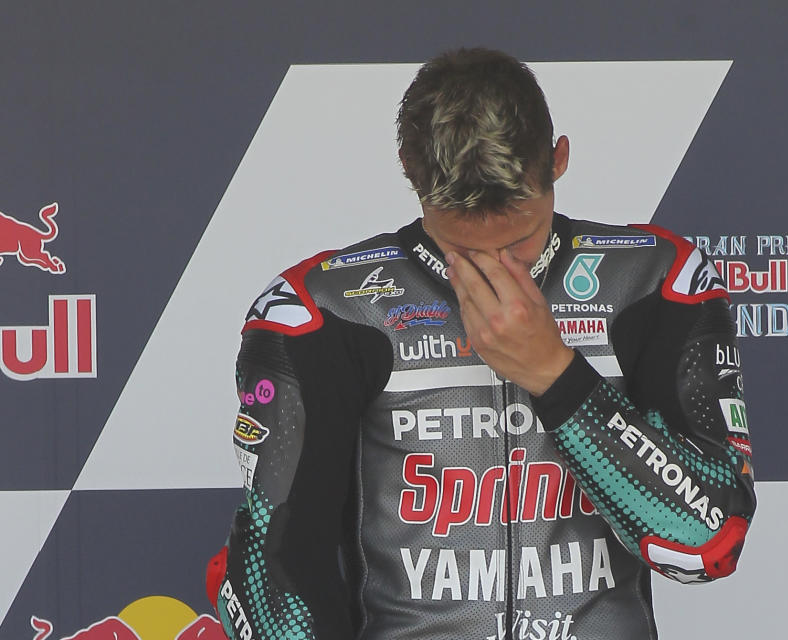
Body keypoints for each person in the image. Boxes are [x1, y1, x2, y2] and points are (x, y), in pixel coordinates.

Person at [211, 48, 757, 640]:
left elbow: (708, 541)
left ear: (560, 159)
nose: (498, 267)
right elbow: (273, 568)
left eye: (520, 239)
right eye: (464, 248)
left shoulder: (654, 282)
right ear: (408, 171)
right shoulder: (322, 310)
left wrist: (556, 373)